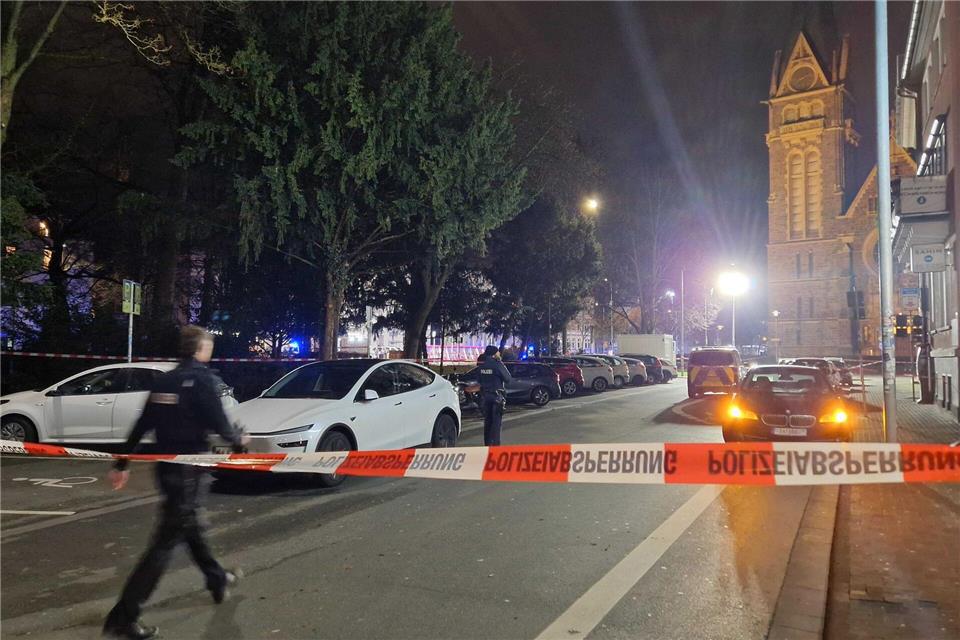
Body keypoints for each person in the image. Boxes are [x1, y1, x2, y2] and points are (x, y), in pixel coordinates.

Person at [103, 326, 248, 640]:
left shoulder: (164, 381)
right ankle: (124, 616)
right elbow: (220, 423)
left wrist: (122, 462)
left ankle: (216, 578)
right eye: (208, 345)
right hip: (190, 471)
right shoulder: (203, 381)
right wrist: (239, 442)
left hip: (168, 470)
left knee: (190, 526)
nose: (210, 350)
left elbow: (143, 424)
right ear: (200, 348)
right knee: (165, 544)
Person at [478, 345, 512, 446]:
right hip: (497, 397)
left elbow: (479, 380)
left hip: (485, 396)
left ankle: (487, 444)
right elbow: (508, 379)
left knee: (487, 421)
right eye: (498, 352)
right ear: (494, 354)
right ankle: (495, 446)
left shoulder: (482, 365)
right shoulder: (498, 365)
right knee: (496, 423)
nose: (499, 354)